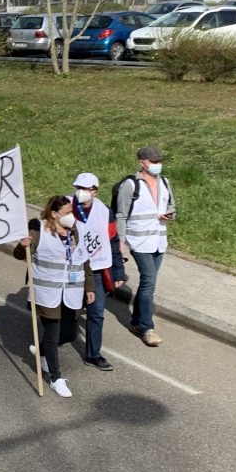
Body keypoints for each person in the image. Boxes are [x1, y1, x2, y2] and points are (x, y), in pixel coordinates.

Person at [14, 196, 95, 398]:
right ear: (54, 214)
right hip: (47, 293)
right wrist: (21, 246)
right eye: (67, 212)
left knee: (70, 333)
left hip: (71, 293)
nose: (71, 216)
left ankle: (41, 351)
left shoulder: (77, 231)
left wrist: (90, 287)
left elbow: (84, 261)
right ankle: (55, 378)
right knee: (52, 334)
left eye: (71, 212)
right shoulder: (38, 229)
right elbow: (20, 255)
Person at [116, 145, 175, 347]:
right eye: (154, 162)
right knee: (149, 281)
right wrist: (121, 242)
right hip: (139, 241)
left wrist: (170, 214)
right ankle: (147, 328)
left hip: (159, 240)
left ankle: (135, 322)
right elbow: (121, 215)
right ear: (142, 163)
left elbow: (171, 206)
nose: (158, 165)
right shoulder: (130, 185)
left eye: (159, 161)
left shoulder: (165, 182)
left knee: (148, 283)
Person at [69, 172, 115, 371]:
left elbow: (113, 241)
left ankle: (93, 355)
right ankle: (55, 339)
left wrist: (118, 273)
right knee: (67, 309)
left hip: (95, 270)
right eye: (77, 187)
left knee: (96, 314)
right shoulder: (65, 205)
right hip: (71, 269)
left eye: (85, 189)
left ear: (94, 192)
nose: (80, 192)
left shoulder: (105, 211)